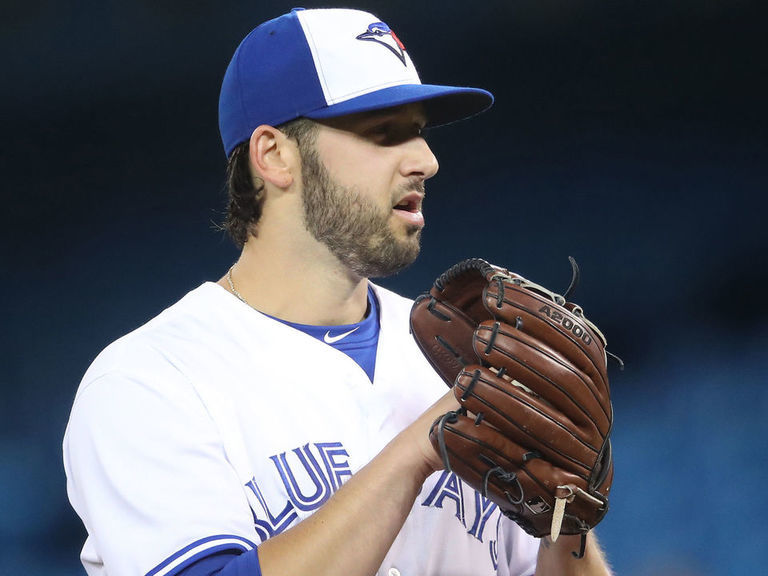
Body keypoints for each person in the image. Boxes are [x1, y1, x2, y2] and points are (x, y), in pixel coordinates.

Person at [63, 7, 613, 576]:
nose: (426, 160)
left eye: (419, 131)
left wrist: (567, 527)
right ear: (274, 154)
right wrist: (417, 450)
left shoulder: (466, 354)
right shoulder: (150, 381)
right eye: (384, 132)